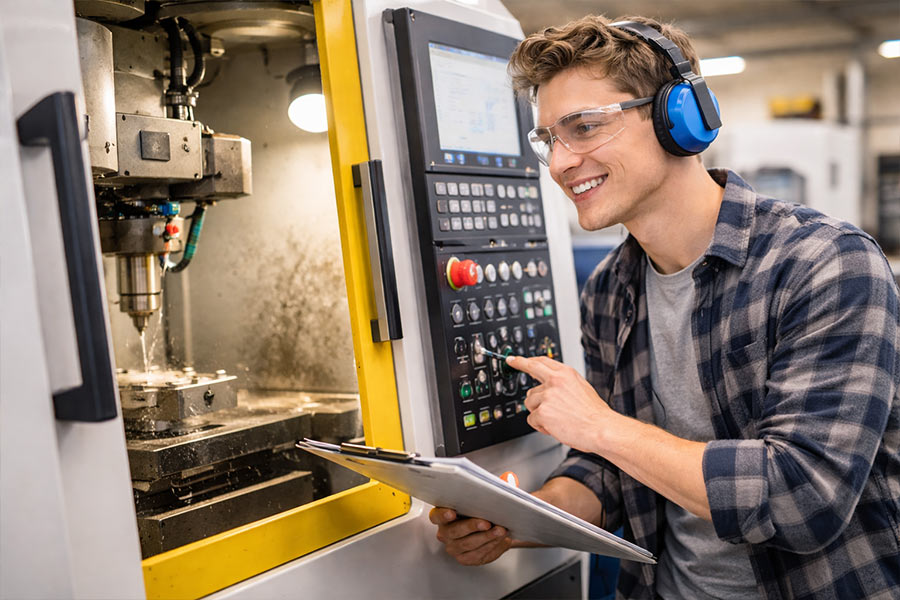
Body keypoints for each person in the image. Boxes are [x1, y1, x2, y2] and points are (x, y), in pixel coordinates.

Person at [429, 14, 900, 600]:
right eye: (550, 139)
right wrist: (521, 518)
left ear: (679, 118)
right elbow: (610, 473)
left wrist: (601, 427)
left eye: (584, 127)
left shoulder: (825, 264)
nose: (558, 164)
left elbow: (802, 499)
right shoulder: (611, 287)